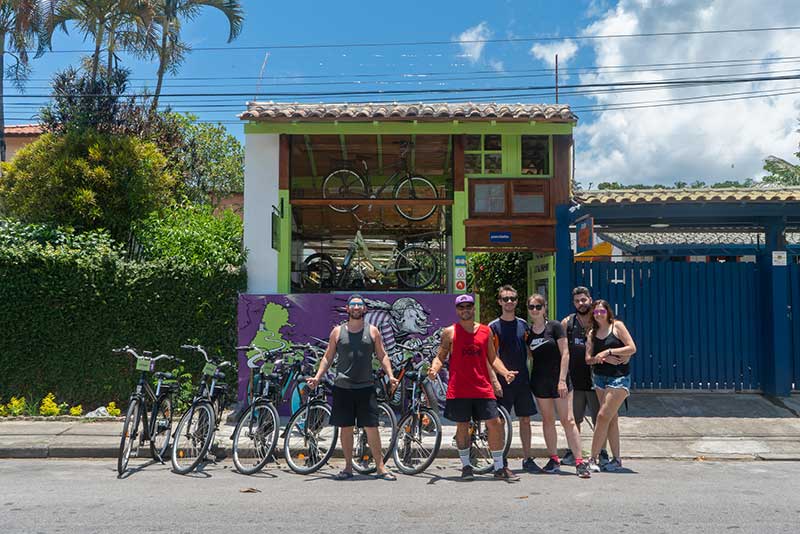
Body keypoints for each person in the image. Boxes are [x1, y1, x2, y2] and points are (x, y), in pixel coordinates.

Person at [427, 294, 520, 481]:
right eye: (461, 307)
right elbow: (440, 356)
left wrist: (505, 373)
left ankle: (499, 467)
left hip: (482, 387)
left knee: (495, 423)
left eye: (468, 306)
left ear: (473, 308)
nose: (465, 310)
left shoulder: (486, 331)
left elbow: (493, 358)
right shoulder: (450, 332)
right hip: (459, 388)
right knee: (462, 426)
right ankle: (466, 466)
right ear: (456, 310)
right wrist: (434, 369)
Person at [307, 294, 399, 480]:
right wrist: (317, 377)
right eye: (353, 305)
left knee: (371, 427)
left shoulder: (373, 331)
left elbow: (382, 355)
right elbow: (328, 357)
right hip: (343, 387)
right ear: (347, 309)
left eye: (360, 305)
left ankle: (380, 468)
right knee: (346, 428)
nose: (356, 307)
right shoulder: (337, 332)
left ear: (365, 309)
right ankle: (348, 467)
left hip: (366, 387)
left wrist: (390, 376)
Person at [527, 294, 591, 479]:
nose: (535, 310)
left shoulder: (554, 327)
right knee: (547, 421)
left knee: (568, 421)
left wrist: (562, 380)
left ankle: (579, 462)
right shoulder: (529, 332)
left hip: (559, 381)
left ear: (544, 307)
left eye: (538, 306)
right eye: (531, 307)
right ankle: (553, 459)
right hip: (539, 381)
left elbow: (565, 353)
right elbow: (531, 356)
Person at [488, 285, 540, 473]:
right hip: (503, 382)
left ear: (517, 301)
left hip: (522, 381)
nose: (509, 302)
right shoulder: (492, 327)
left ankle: (527, 458)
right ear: (499, 302)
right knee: (500, 422)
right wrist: (495, 381)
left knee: (525, 420)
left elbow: (530, 351)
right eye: (505, 299)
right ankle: (501, 460)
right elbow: (489, 358)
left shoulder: (524, 325)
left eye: (512, 298)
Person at [585, 299, 637, 473]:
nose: (599, 314)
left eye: (602, 311)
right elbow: (588, 359)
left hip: (619, 379)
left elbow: (632, 348)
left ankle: (592, 458)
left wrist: (609, 351)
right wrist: (600, 358)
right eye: (596, 312)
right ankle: (616, 459)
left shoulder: (617, 327)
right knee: (611, 418)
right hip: (600, 378)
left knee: (601, 416)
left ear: (608, 312)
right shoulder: (592, 333)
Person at [560, 286, 608, 467]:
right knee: (574, 420)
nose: (581, 303)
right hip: (575, 380)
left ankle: (601, 452)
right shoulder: (567, 323)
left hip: (598, 380)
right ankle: (574, 452)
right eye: (577, 301)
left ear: (590, 299)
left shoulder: (599, 320)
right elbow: (561, 350)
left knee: (600, 419)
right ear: (573, 303)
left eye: (584, 300)